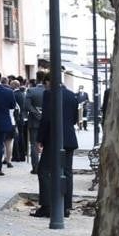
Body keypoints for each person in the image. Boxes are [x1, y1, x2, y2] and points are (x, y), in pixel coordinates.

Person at [32, 76, 80, 218]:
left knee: (44, 171)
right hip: (69, 138)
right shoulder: (72, 95)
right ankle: (65, 206)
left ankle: (47, 206)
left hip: (54, 139)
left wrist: (40, 139)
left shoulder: (49, 94)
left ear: (48, 82)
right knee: (66, 172)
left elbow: (46, 118)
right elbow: (74, 119)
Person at [0, 71, 17, 173]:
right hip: (3, 121)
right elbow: (12, 106)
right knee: (0, 144)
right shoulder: (9, 91)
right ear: (0, 78)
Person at [25, 71, 47, 173]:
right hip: (47, 121)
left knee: (34, 144)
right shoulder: (49, 90)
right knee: (47, 143)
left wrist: (36, 113)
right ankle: (45, 166)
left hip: (34, 121)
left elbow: (27, 106)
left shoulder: (31, 91)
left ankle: (36, 167)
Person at [11, 79, 29, 162]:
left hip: (17, 118)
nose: (10, 86)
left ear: (14, 85)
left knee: (16, 137)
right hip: (22, 118)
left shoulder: (14, 94)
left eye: (11, 85)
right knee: (21, 136)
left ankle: (16, 156)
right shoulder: (22, 94)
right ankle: (22, 155)